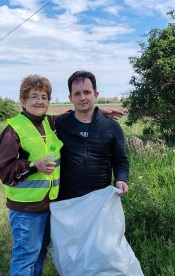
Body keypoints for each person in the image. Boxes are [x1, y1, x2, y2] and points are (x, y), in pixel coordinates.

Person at [0, 74, 63, 276]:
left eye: (44, 96)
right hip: (25, 210)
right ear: (22, 100)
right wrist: (33, 167)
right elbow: (4, 170)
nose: (39, 101)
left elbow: (71, 115)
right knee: (24, 258)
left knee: (40, 253)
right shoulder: (14, 129)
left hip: (48, 206)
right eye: (33, 96)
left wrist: (100, 114)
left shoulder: (47, 124)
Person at [54, 70, 129, 200]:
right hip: (66, 201)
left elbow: (120, 160)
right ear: (70, 98)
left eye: (87, 92)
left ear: (96, 94)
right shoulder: (60, 124)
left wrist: (121, 178)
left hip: (100, 201)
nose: (82, 97)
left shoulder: (112, 127)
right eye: (77, 93)